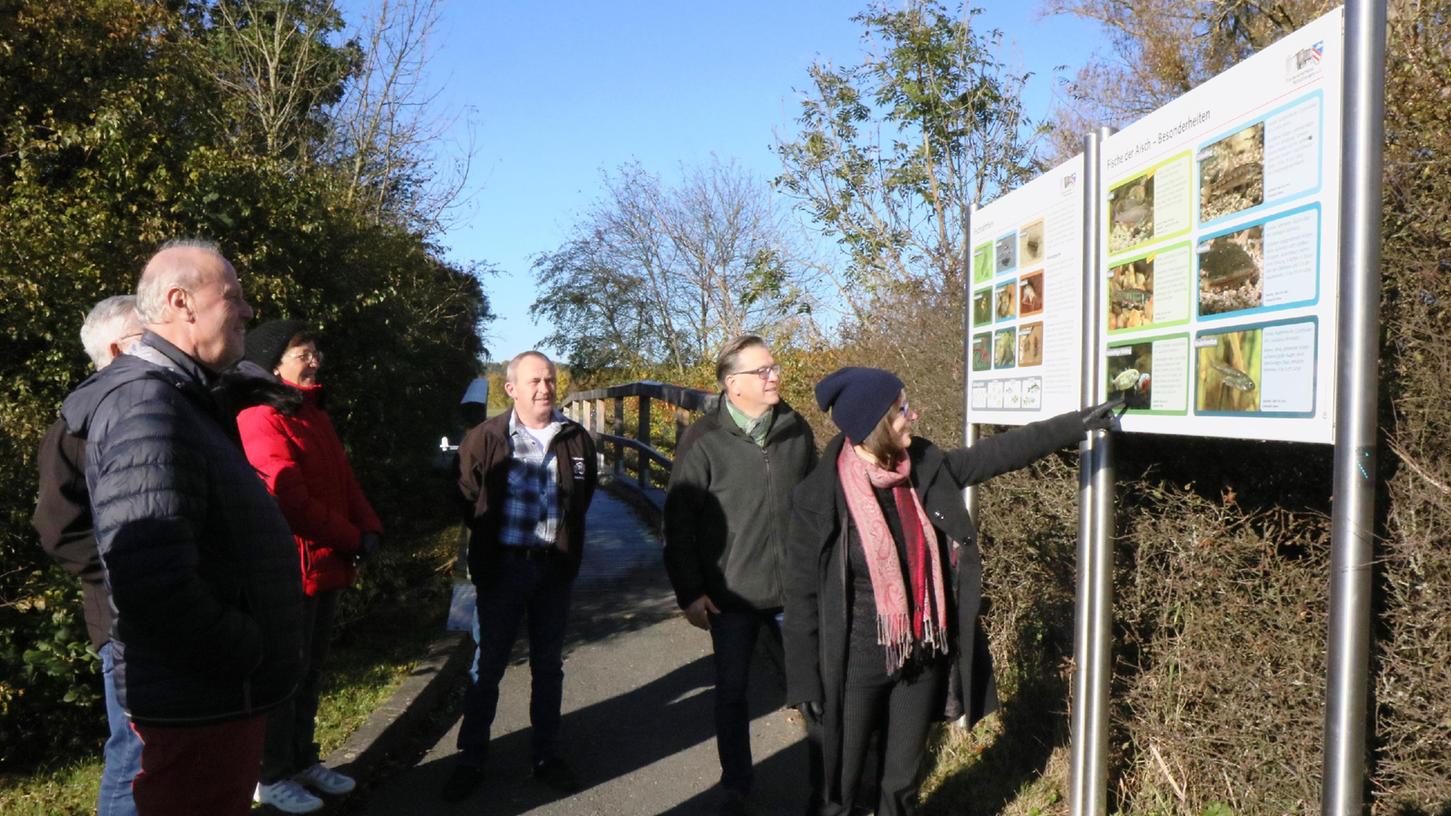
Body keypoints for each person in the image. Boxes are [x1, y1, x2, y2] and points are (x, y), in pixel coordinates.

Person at [784, 367, 1121, 816]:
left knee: (901, 784)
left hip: (921, 653)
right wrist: (806, 678)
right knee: (837, 791)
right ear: (874, 424)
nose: (913, 415)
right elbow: (801, 594)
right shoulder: (820, 495)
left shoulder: (925, 466)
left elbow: (1000, 453)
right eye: (902, 409)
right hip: (853, 663)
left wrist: (1079, 423)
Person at [59, 240, 304, 816]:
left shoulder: (180, 397)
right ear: (180, 302)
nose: (247, 311)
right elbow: (152, 580)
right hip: (202, 699)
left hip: (213, 696)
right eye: (234, 297)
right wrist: (245, 647)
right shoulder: (147, 407)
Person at [663, 335, 818, 816]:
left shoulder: (796, 429)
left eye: (774, 367)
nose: (775, 376)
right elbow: (678, 522)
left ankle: (826, 789)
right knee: (731, 695)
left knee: (815, 693)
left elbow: (817, 504)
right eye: (763, 370)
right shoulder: (704, 439)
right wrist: (690, 592)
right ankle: (737, 787)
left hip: (794, 591)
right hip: (730, 595)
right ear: (733, 385)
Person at [235, 320, 383, 814]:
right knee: (283, 675)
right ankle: (270, 774)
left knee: (310, 671)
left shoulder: (312, 414)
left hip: (325, 564)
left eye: (315, 350)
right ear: (274, 363)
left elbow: (344, 480)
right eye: (302, 351)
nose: (314, 358)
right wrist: (350, 536)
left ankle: (301, 760)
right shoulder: (260, 416)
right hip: (291, 570)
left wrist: (369, 526)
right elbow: (287, 497)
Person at [442, 350, 598, 802]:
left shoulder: (575, 438)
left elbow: (583, 496)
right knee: (485, 665)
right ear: (510, 389)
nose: (544, 388)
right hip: (503, 569)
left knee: (548, 666)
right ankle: (471, 758)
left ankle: (546, 755)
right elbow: (467, 497)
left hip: (553, 570)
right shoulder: (486, 437)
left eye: (549, 380)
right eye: (533, 381)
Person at [32, 295, 144, 816]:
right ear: (119, 348)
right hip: (122, 618)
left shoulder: (147, 408)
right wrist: (131, 573)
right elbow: (58, 529)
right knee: (133, 750)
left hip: (157, 608)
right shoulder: (77, 424)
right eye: (149, 336)